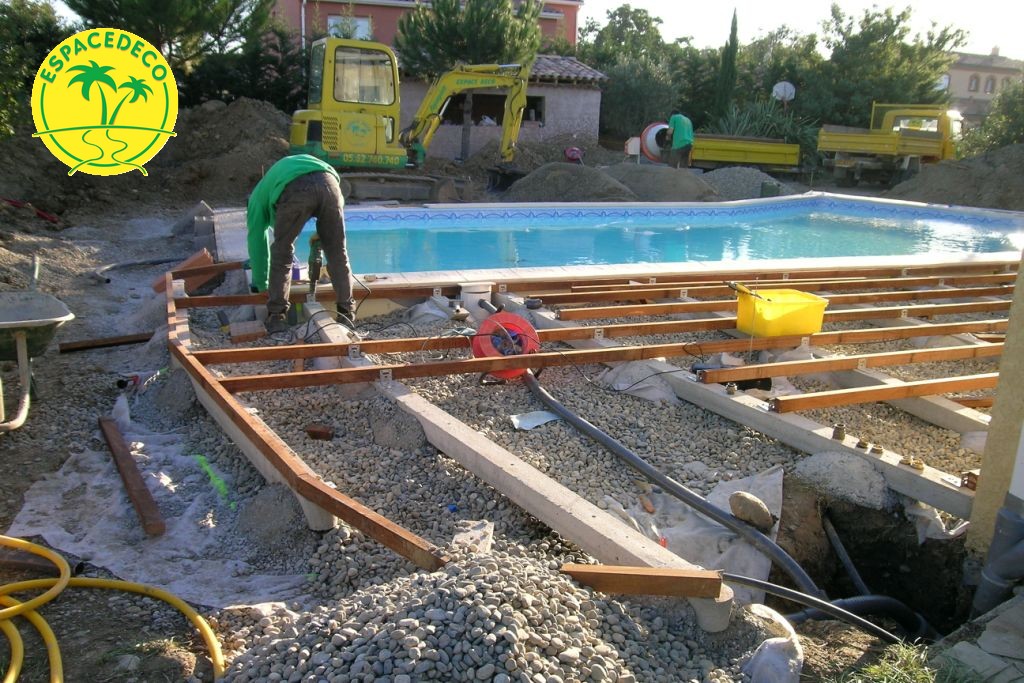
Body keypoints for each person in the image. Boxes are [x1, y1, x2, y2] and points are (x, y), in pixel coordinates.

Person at [247, 154, 354, 333]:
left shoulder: (255, 200)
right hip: (329, 183)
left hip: (295, 187)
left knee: (282, 253)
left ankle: (276, 317)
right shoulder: (277, 177)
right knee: (337, 253)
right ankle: (347, 315)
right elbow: (337, 200)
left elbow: (257, 242)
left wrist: (260, 283)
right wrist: (323, 233)